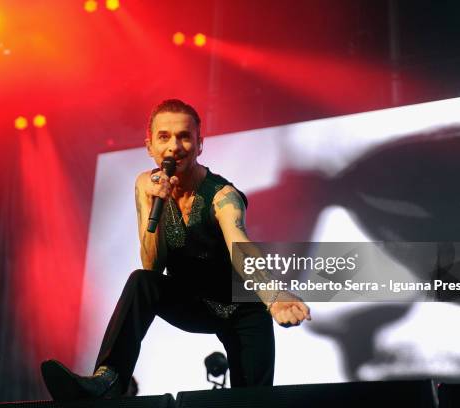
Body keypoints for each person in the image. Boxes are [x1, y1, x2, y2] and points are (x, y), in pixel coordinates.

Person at [41, 99, 311, 401]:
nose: (174, 146)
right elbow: (152, 265)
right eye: (164, 137)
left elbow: (240, 245)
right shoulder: (147, 184)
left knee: (251, 400)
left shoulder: (223, 195)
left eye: (184, 136)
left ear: (199, 145)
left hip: (241, 308)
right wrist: (157, 203)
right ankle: (109, 380)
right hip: (193, 303)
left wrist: (273, 297)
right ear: (150, 146)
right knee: (141, 282)